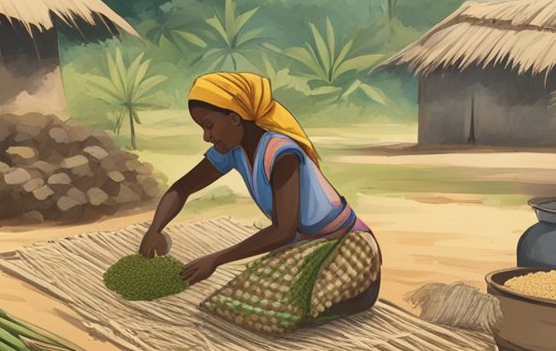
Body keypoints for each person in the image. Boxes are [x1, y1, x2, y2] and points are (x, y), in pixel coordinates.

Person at [138, 71, 381, 333]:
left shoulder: (281, 152)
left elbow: (284, 231)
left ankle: (356, 295)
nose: (206, 137)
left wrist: (216, 259)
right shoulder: (233, 150)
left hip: (346, 246)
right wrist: (155, 229)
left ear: (234, 118)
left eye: (209, 126)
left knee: (272, 313)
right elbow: (182, 187)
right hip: (305, 250)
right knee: (231, 305)